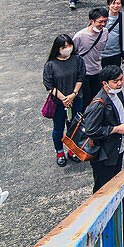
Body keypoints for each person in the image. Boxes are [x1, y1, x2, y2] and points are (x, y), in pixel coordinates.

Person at [82, 65, 124, 192]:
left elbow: (116, 109)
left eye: (121, 79)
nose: (120, 83)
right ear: (105, 83)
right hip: (104, 154)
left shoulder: (118, 93)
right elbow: (91, 130)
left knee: (115, 182)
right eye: (115, 81)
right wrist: (116, 129)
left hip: (117, 149)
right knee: (103, 188)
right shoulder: (98, 104)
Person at [43, 34, 85, 167]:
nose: (67, 49)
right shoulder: (51, 65)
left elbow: (81, 77)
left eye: (69, 46)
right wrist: (64, 99)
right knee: (58, 128)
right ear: (58, 48)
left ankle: (72, 150)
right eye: (64, 47)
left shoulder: (77, 60)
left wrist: (73, 94)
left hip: (75, 99)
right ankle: (60, 152)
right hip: (59, 103)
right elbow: (49, 85)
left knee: (74, 127)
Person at [73, 8, 109, 106]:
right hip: (84, 73)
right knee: (85, 101)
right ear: (92, 21)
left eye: (105, 21)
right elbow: (73, 54)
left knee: (97, 100)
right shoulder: (80, 36)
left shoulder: (105, 32)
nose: (103, 24)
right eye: (100, 22)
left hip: (97, 70)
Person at [100, 0, 124, 70]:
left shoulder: (123, 18)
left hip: (116, 54)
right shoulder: (101, 17)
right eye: (113, 3)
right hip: (101, 54)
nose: (116, 6)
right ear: (109, 5)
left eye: (118, 3)